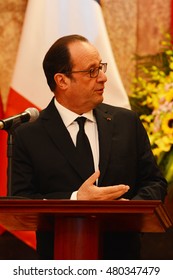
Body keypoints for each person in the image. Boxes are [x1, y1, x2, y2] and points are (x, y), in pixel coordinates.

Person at [11, 34, 167, 260]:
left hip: (123, 261)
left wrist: (127, 210)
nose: (103, 77)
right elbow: (22, 201)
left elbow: (155, 182)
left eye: (101, 67)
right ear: (62, 81)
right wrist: (75, 199)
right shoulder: (28, 135)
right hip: (59, 261)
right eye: (92, 71)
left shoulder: (127, 122)